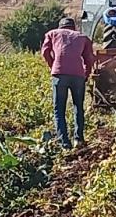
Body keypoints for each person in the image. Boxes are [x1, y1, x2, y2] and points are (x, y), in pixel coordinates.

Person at [41, 17, 95, 149]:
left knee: (59, 110)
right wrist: (86, 74)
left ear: (61, 27)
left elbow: (45, 52)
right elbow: (89, 59)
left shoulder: (52, 33)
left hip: (59, 75)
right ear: (74, 27)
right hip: (78, 76)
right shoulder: (83, 37)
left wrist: (53, 65)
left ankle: (64, 143)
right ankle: (79, 139)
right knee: (78, 107)